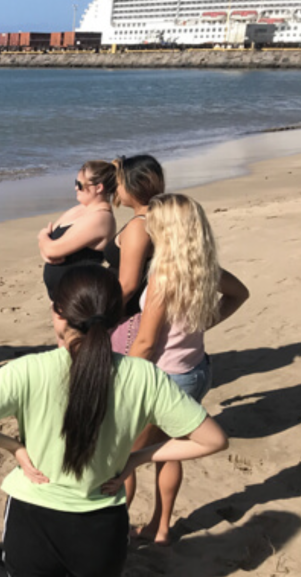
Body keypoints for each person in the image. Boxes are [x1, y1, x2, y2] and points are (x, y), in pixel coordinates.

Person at [0, 266, 228, 577]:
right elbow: (213, 440)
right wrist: (138, 458)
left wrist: (14, 447)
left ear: (57, 313)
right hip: (101, 526)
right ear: (117, 319)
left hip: (32, 520)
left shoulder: (27, 370)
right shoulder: (145, 376)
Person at [125, 193, 250, 545]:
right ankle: (160, 528)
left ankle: (112, 530)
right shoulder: (203, 267)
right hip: (195, 370)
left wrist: (122, 379)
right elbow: (240, 293)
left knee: (124, 456)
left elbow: (145, 342)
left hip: (165, 377)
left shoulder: (162, 277)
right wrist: (202, 324)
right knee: (169, 449)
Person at [106, 154, 165, 353]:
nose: (116, 189)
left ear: (134, 185)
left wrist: (103, 317)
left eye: (119, 184)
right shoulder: (161, 217)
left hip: (127, 314)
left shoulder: (139, 226)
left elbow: (128, 284)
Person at [38, 161, 116, 300]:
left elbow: (51, 248)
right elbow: (49, 246)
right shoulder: (79, 209)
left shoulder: (101, 218)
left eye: (80, 184)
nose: (75, 188)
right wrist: (46, 248)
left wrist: (42, 237)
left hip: (79, 298)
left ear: (98, 188)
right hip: (62, 295)